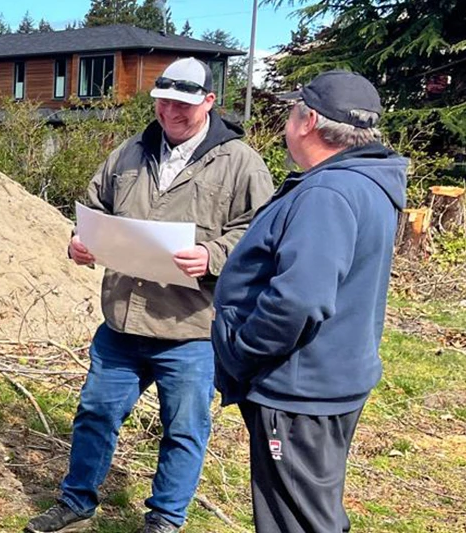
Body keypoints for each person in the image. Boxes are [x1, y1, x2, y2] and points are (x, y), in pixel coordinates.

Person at [25, 57, 273, 533]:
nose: (169, 114)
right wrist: (81, 243)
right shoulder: (130, 152)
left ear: (208, 102)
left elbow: (259, 233)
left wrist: (213, 255)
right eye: (162, 103)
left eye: (182, 105)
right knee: (95, 414)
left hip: (190, 329)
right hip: (122, 323)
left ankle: (165, 518)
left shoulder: (240, 162)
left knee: (183, 429)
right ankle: (77, 503)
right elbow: (95, 208)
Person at [211, 70, 408, 532]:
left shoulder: (328, 192)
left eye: (291, 111)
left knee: (294, 521)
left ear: (308, 120)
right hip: (324, 382)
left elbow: (299, 300)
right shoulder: (364, 181)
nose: (287, 122)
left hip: (299, 392)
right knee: (312, 512)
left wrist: (243, 353)